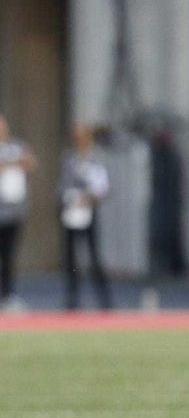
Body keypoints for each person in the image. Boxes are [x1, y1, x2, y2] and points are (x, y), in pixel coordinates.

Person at [59, 123, 112, 310]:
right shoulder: (69, 159)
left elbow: (102, 188)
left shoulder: (96, 161)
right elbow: (62, 186)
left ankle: (105, 299)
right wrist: (68, 199)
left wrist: (89, 198)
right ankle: (72, 299)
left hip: (89, 213)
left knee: (94, 257)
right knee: (71, 258)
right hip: (72, 213)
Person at [0, 114, 37, 309]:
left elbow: (30, 163)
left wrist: (15, 162)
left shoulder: (16, 146)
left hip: (13, 211)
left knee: (9, 255)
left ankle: (8, 295)